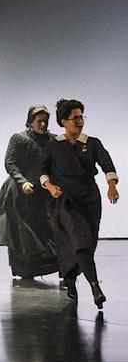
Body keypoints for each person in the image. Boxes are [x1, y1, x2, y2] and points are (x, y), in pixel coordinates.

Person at [39, 98, 119, 308]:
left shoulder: (92, 143)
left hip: (89, 199)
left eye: (81, 116)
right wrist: (50, 186)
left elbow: (107, 164)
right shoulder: (54, 145)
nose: (80, 121)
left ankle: (70, 278)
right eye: (75, 118)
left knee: (87, 243)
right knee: (80, 241)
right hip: (64, 200)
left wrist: (112, 185)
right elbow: (42, 171)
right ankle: (95, 287)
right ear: (63, 121)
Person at [0, 105, 58, 280]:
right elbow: (10, 163)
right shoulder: (19, 139)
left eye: (46, 121)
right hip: (20, 190)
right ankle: (25, 270)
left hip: (43, 190)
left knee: (48, 226)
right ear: (31, 121)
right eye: (39, 121)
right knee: (23, 231)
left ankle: (52, 266)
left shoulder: (52, 140)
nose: (43, 124)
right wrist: (22, 182)